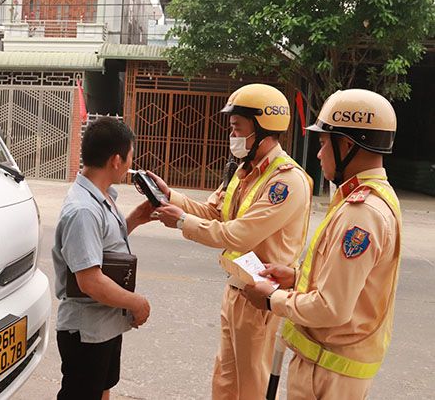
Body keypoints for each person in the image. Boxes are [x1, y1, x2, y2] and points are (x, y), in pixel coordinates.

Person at [150, 84, 313, 399]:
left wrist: (181, 221)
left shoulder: (286, 182)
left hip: (262, 297)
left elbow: (239, 234)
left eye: (237, 128)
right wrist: (170, 195)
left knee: (251, 386)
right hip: (236, 290)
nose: (232, 135)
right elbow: (214, 212)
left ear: (263, 128)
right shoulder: (244, 171)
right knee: (225, 383)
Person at [242, 89, 401, 399]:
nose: (319, 153)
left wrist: (273, 299)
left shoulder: (361, 213)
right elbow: (350, 283)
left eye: (323, 143)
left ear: (346, 145)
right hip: (333, 368)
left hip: (327, 373)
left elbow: (332, 308)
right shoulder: (373, 197)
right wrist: (297, 278)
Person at [52, 117, 154, 400]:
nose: (131, 164)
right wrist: (137, 302)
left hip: (105, 324)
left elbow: (102, 246)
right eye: (130, 157)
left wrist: (134, 220)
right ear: (116, 160)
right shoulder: (83, 210)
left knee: (101, 390)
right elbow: (90, 281)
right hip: (87, 331)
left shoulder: (102, 196)